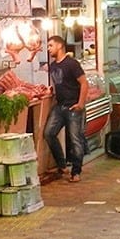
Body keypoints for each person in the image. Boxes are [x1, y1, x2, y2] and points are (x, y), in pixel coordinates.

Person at [43, 35, 88, 182]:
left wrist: (80, 104)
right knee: (49, 133)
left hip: (73, 106)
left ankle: (76, 172)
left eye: (51, 45)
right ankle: (62, 165)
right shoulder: (54, 66)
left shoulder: (72, 64)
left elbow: (84, 83)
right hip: (60, 106)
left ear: (60, 46)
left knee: (76, 140)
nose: (48, 49)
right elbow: (59, 84)